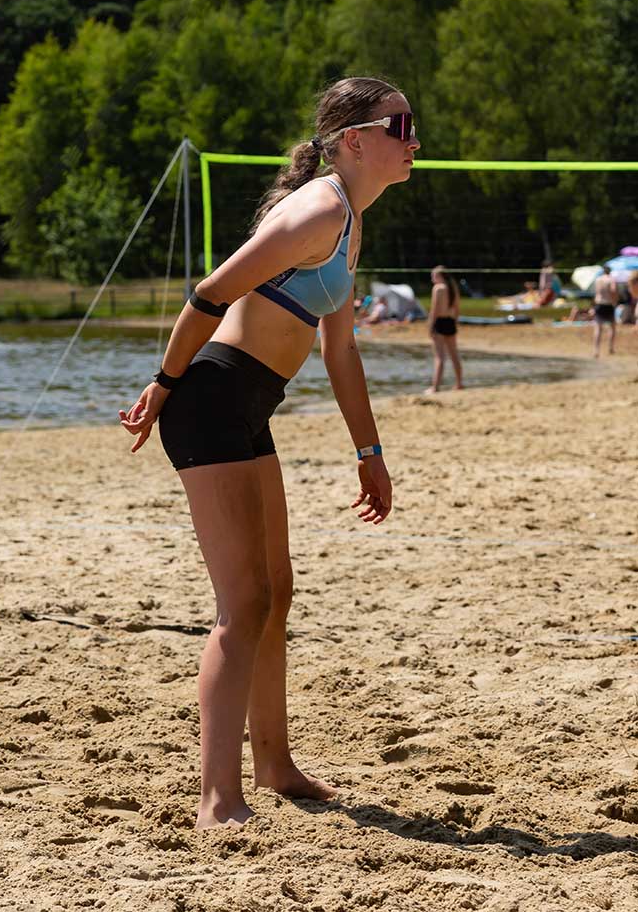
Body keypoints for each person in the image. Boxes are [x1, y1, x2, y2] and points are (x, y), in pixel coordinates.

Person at [119, 77, 418, 829]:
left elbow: (340, 351)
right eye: (400, 124)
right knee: (243, 602)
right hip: (211, 397)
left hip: (252, 405)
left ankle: (276, 763)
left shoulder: (349, 219)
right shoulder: (317, 208)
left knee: (276, 592)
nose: (414, 139)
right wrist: (162, 384)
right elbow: (209, 292)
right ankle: (218, 797)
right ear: (354, 139)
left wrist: (369, 450)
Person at [426, 265, 463, 393]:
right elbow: (457, 309)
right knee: (454, 355)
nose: (432, 279)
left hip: (440, 322)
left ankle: (435, 387)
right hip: (451, 321)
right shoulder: (453, 288)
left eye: (433, 276)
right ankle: (459, 383)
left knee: (439, 357)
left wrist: (430, 326)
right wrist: (455, 323)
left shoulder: (438, 288)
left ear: (440, 276)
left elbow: (434, 310)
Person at [593, 264, 618, 357]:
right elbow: (613, 289)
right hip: (608, 304)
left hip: (599, 303)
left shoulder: (598, 280)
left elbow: (596, 293)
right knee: (612, 327)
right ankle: (610, 348)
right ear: (610, 271)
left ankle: (596, 350)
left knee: (598, 328)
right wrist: (615, 300)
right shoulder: (611, 279)